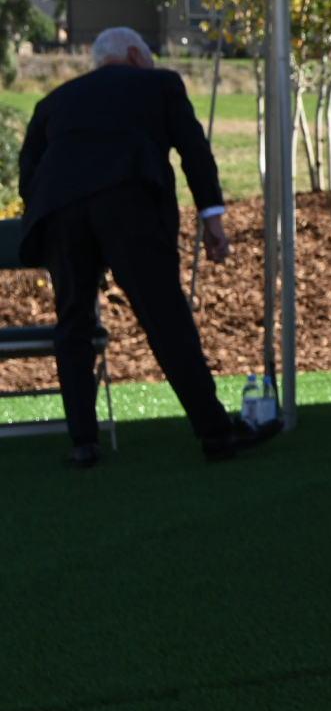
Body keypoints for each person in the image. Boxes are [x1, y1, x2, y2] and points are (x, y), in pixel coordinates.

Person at [17, 27, 282, 467]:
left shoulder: (54, 101)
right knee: (164, 315)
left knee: (74, 321)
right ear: (137, 54)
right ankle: (215, 432)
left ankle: (83, 442)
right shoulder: (159, 83)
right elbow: (193, 149)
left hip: (60, 210)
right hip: (128, 202)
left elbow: (31, 172)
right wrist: (211, 214)